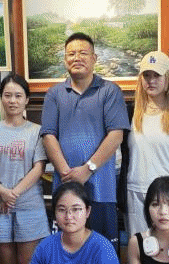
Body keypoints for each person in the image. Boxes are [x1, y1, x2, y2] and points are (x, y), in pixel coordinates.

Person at [41, 33, 130, 251]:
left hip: (102, 189)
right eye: (71, 54)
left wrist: (87, 169)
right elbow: (48, 135)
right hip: (65, 189)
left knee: (103, 252)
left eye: (83, 53)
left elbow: (116, 135)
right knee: (66, 252)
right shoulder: (54, 94)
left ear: (94, 58)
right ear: (65, 60)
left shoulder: (110, 91)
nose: (77, 58)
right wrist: (66, 173)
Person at [121, 51, 169, 237]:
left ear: (167, 78)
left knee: (168, 248)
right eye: (146, 75)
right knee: (139, 247)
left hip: (168, 196)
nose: (151, 81)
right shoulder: (129, 113)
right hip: (135, 193)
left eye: (156, 75)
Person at [0, 74, 49, 264]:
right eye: (8, 95)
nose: (13, 101)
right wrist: (2, 192)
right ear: (1, 98)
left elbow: (39, 167)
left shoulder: (37, 131)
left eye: (18, 96)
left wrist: (13, 194)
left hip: (29, 205)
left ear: (26, 99)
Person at [28, 182, 120, 264]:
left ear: (87, 211)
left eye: (76, 209)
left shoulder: (103, 248)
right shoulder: (45, 246)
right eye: (61, 210)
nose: (69, 216)